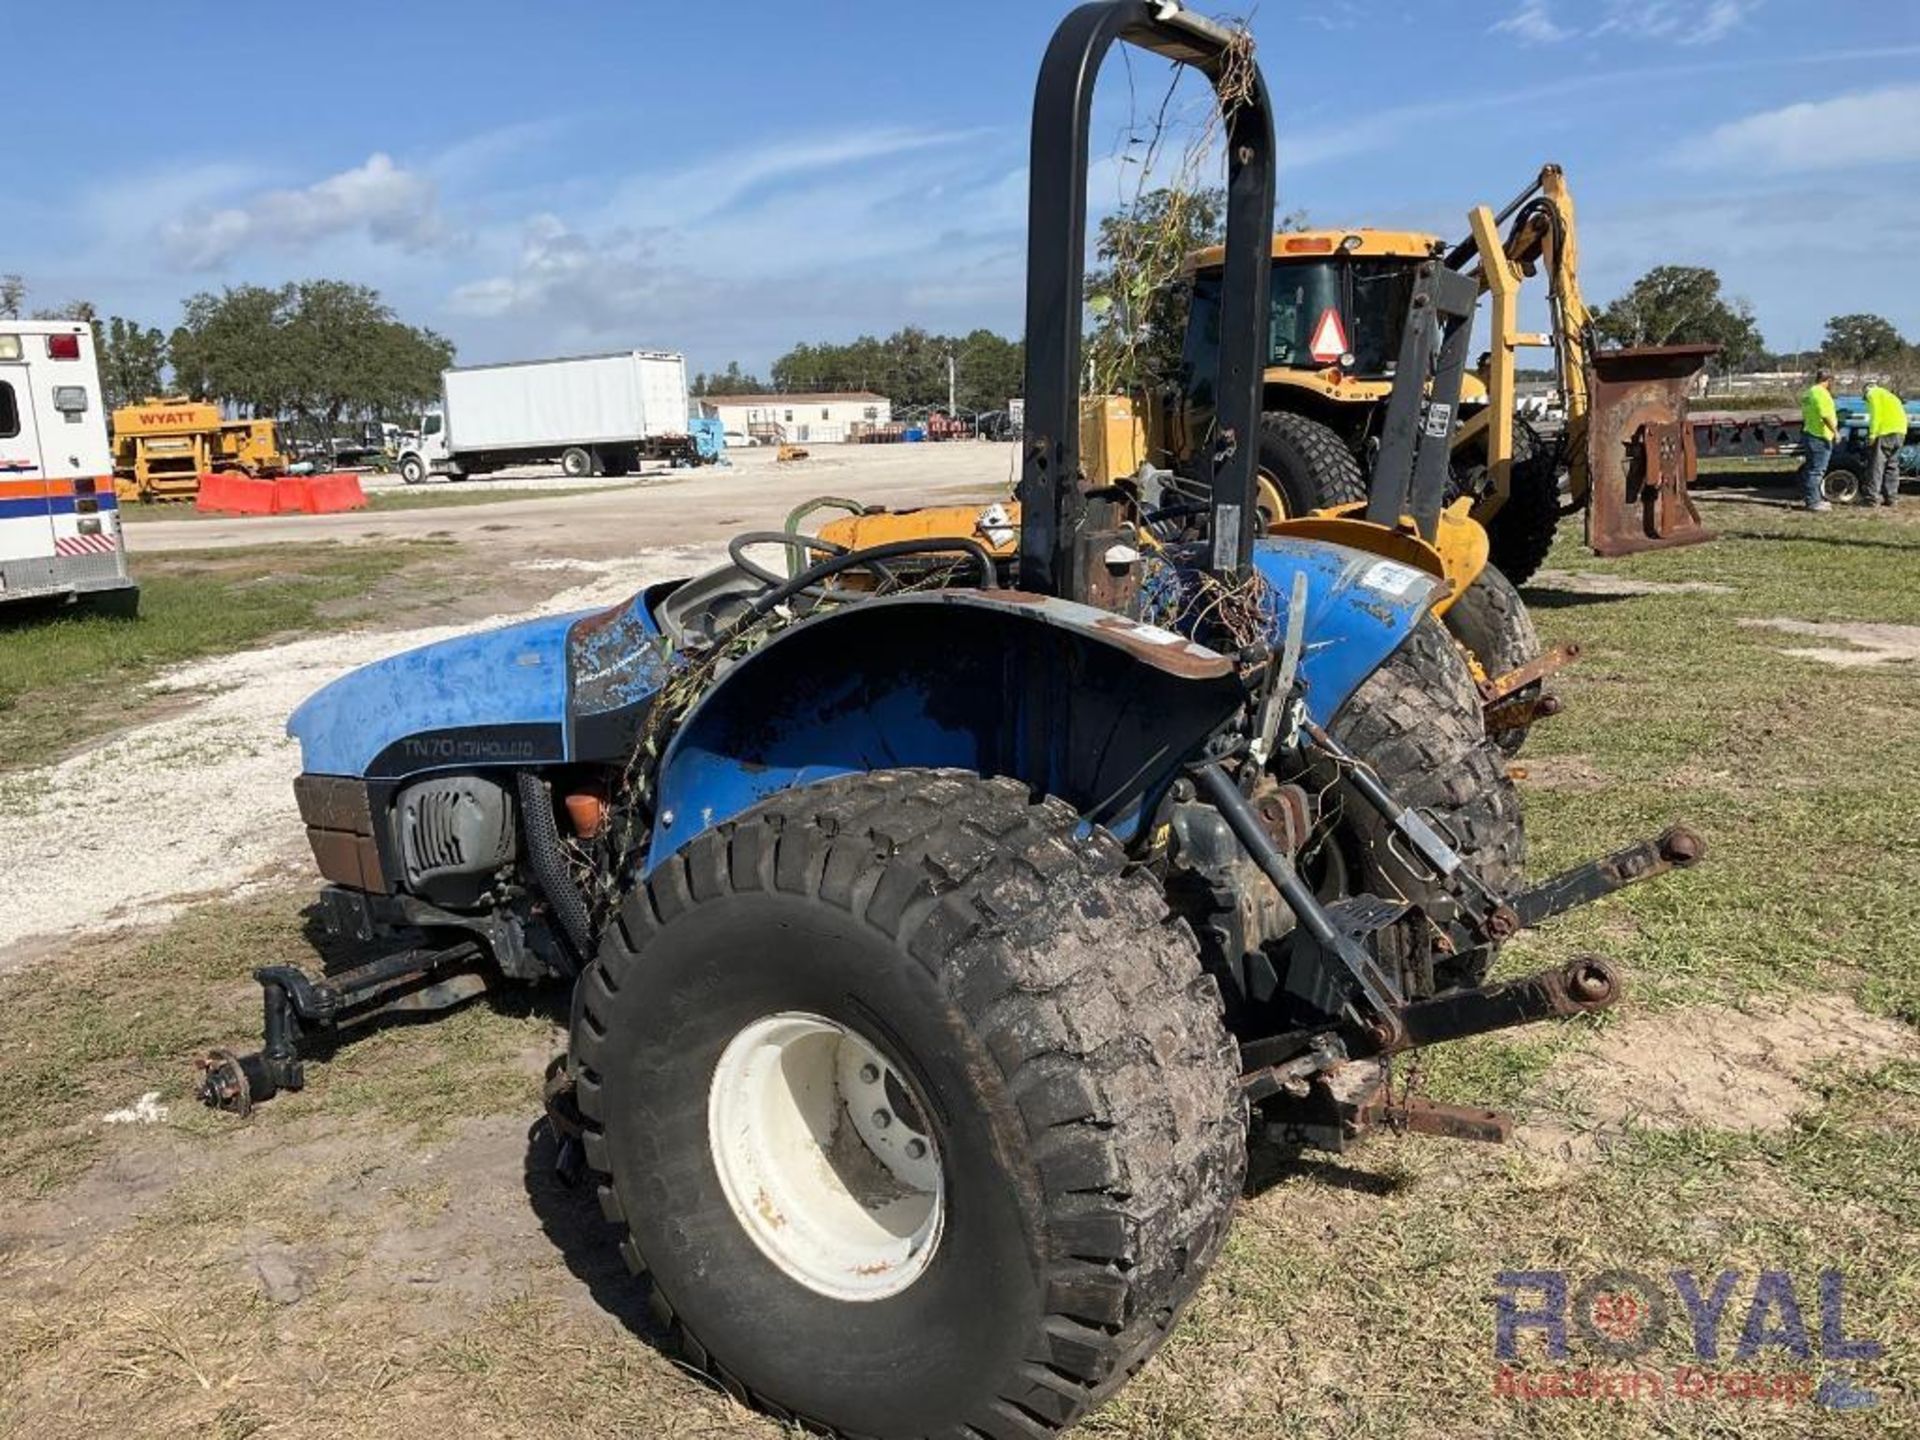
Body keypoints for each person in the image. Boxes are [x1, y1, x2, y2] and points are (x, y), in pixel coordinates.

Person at [1861, 379, 1907, 508]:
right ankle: (1892, 498)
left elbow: (1876, 414)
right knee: (1892, 466)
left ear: (1866, 390)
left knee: (1876, 466)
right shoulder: (1891, 396)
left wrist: (1872, 435)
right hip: (1900, 432)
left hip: (1885, 432)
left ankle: (1872, 499)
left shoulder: (1872, 394)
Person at [1797, 370, 1839, 511]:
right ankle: (1813, 502)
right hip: (1820, 436)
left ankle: (1812, 497)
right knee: (1817, 471)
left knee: (1810, 468)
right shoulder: (1822, 393)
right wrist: (1836, 432)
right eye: (1832, 382)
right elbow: (1825, 415)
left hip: (1809, 432)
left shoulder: (1808, 393)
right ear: (1828, 380)